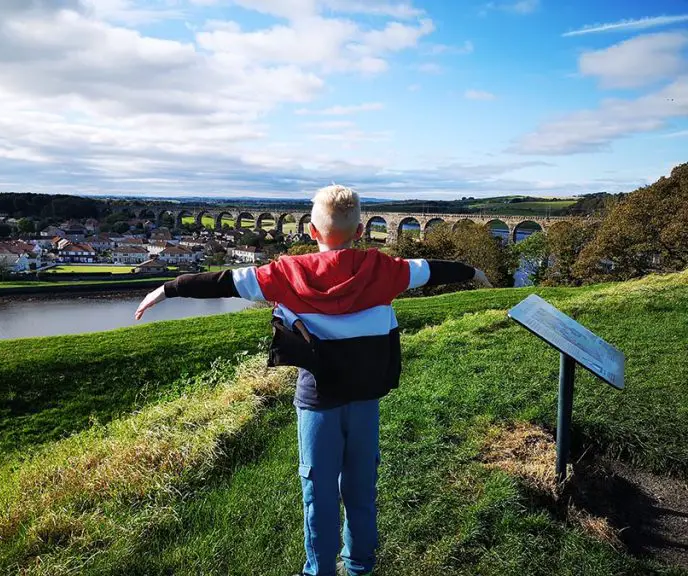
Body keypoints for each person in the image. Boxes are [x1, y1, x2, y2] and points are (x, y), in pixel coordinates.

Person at [135, 185, 492, 576]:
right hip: (364, 397)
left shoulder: (286, 273)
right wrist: (473, 271)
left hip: (317, 399)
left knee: (318, 492)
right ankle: (359, 568)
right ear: (359, 233)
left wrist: (167, 289)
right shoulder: (385, 270)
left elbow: (222, 281)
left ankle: (319, 570)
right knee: (360, 489)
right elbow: (434, 269)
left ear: (312, 232)